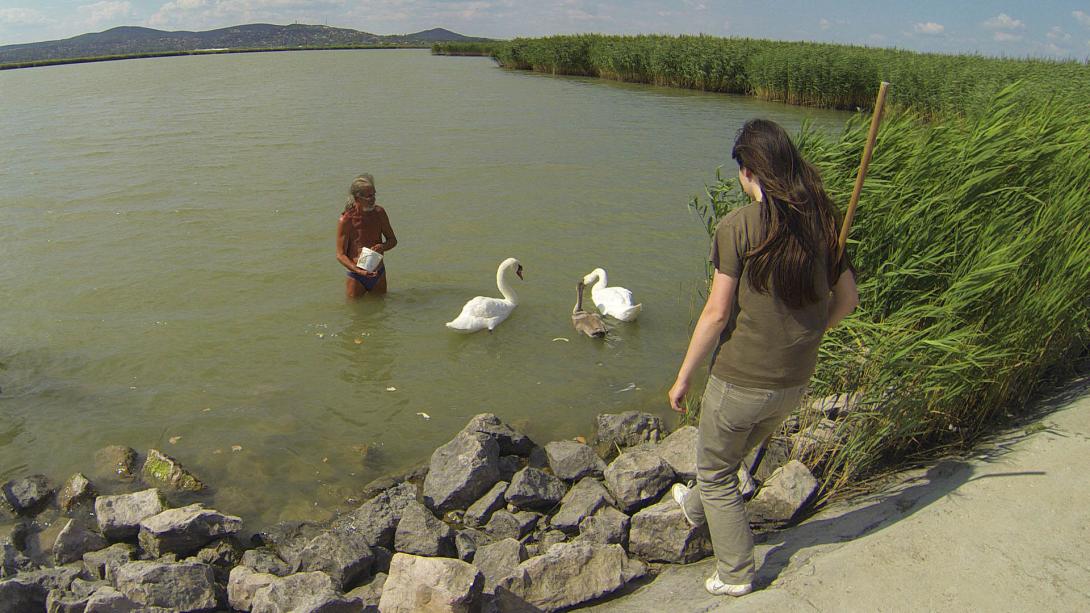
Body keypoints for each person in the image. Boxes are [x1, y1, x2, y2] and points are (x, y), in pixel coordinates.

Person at [667, 119, 859, 597]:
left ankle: (735, 572)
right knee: (728, 457)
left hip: (741, 380)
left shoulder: (738, 227)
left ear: (749, 171)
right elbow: (848, 300)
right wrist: (809, 333)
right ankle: (696, 508)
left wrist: (683, 377)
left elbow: (715, 314)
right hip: (794, 382)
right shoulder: (824, 225)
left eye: (740, 169)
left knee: (714, 471)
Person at [336, 174, 398, 299]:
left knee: (381, 311)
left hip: (378, 273)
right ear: (357, 198)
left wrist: (382, 247)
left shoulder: (379, 213)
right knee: (356, 315)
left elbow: (393, 240)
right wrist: (358, 271)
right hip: (356, 275)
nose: (373, 199)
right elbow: (340, 255)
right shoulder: (346, 220)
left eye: (374, 194)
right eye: (369, 196)